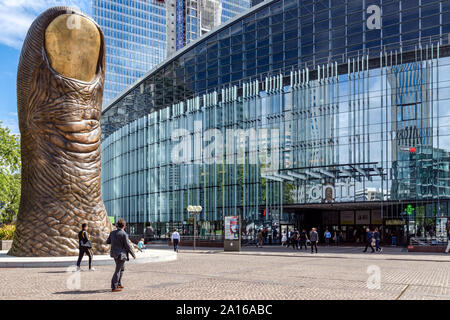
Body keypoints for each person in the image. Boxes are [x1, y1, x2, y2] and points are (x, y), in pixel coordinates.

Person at [106, 219, 136, 292]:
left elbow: (108, 241)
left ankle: (118, 283)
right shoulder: (124, 234)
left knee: (122, 269)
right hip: (121, 254)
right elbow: (127, 246)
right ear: (124, 226)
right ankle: (114, 286)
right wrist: (133, 254)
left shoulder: (112, 233)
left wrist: (115, 242)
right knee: (118, 270)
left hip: (114, 254)